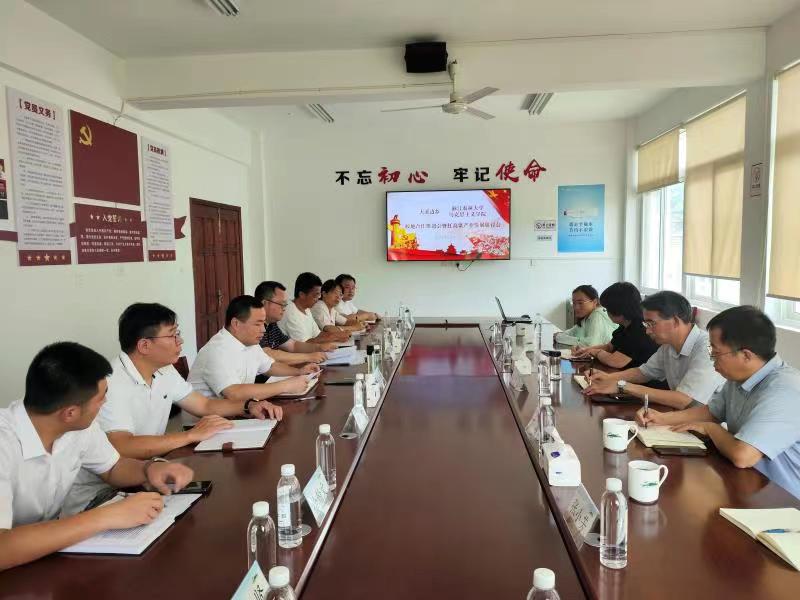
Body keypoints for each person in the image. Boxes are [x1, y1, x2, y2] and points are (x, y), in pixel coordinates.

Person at [64, 303, 286, 514]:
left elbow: (204, 405)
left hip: (148, 473)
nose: (180, 341)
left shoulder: (164, 370)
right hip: (98, 497)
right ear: (144, 345)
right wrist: (190, 435)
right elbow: (122, 446)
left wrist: (249, 406)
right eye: (172, 335)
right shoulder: (111, 383)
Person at [0, 342, 194, 571]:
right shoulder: (5, 443)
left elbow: (112, 467)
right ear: (70, 413)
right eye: (101, 398)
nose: (105, 403)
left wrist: (149, 469)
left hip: (47, 556)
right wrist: (106, 516)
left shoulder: (78, 426)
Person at [636, 306, 800, 499]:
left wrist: (711, 429)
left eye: (716, 352)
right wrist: (661, 418)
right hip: (747, 484)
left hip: (783, 499)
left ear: (746, 355)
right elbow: (711, 412)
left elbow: (743, 456)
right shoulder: (740, 376)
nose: (712, 360)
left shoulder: (784, 390)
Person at [584, 290, 724, 409]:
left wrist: (623, 386)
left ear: (675, 321)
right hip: (683, 416)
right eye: (646, 324)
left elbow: (684, 399)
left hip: (708, 427)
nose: (647, 331)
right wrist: (608, 378)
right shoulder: (668, 346)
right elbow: (643, 372)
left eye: (651, 324)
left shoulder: (708, 348)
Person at [189, 295, 316, 406]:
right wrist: (286, 386)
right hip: (205, 421)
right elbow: (234, 393)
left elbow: (270, 366)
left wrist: (299, 372)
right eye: (257, 324)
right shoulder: (217, 350)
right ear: (236, 324)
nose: (263, 330)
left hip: (237, 412)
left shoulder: (250, 343)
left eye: (263, 324)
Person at [573, 282, 659, 368]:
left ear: (618, 309)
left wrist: (595, 352)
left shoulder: (639, 329)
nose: (607, 312)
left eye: (607, 309)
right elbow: (609, 347)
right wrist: (586, 350)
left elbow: (615, 361)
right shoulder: (625, 325)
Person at [254, 281, 336, 364]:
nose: (284, 308)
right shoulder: (254, 325)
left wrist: (319, 347)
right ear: (264, 303)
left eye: (285, 304)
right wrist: (308, 357)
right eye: (281, 304)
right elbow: (268, 354)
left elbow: (292, 345)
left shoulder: (272, 324)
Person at [278, 273, 350, 343]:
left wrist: (337, 335)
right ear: (302, 294)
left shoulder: (306, 309)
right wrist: (334, 337)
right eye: (316, 295)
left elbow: (317, 334)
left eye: (319, 294)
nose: (319, 298)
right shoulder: (290, 312)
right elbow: (303, 344)